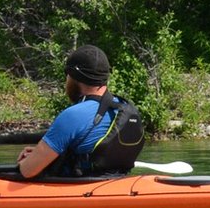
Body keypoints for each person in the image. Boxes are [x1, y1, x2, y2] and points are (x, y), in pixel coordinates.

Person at [16, 44, 145, 179]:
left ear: (73, 76)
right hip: (119, 183)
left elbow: (28, 170)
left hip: (82, 189)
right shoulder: (125, 107)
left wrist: (25, 162)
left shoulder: (73, 115)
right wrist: (41, 154)